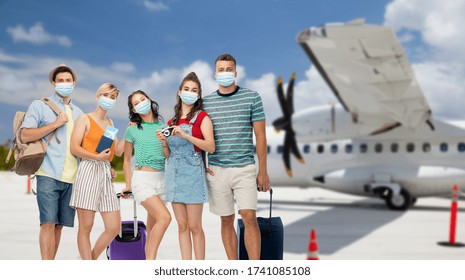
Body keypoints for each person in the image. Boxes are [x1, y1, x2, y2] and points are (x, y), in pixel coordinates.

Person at [202, 54, 271, 260]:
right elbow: (201, 137)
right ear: (215, 74)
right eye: (221, 70)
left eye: (228, 69)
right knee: (226, 220)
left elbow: (260, 136)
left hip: (244, 168)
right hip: (217, 169)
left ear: (235, 73)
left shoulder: (252, 97)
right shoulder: (205, 103)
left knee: (249, 217)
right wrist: (203, 165)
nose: (225, 73)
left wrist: (263, 172)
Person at [20, 64, 84, 259]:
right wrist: (55, 124)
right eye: (60, 81)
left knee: (58, 226)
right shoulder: (39, 105)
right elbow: (24, 135)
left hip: (72, 177)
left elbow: (83, 147)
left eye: (68, 81)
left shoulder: (79, 113)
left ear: (74, 83)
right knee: (47, 222)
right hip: (47, 172)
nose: (64, 84)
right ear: (53, 83)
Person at [156, 72, 215, 260]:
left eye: (194, 90)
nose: (190, 92)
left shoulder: (202, 118)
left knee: (195, 226)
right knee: (181, 226)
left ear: (198, 96)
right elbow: (168, 155)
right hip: (173, 173)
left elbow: (210, 147)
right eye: (187, 89)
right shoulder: (171, 122)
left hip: (193, 174)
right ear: (179, 92)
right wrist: (163, 142)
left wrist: (186, 136)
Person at [69, 83, 125, 260]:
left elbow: (117, 152)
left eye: (113, 97)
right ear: (97, 96)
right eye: (105, 94)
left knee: (113, 227)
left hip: (105, 173)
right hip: (88, 170)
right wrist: (97, 158)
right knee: (86, 227)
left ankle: (90, 260)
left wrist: (131, 129)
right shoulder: (85, 119)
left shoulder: (110, 123)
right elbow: (74, 148)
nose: (108, 99)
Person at [121, 90, 171, 260]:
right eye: (136, 103)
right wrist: (128, 185)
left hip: (162, 180)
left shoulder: (164, 128)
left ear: (149, 100)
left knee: (153, 228)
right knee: (165, 218)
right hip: (143, 181)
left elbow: (167, 156)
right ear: (134, 110)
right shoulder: (133, 129)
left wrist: (164, 142)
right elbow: (126, 159)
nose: (141, 103)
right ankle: (150, 262)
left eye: (143, 99)